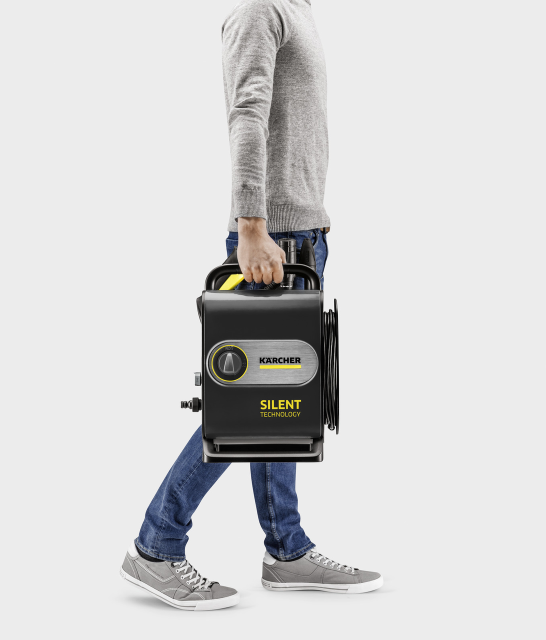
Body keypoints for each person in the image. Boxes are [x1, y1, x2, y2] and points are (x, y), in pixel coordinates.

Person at [120, 0, 382, 610]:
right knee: (244, 408)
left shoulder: (298, 9)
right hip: (274, 241)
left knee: (282, 409)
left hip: (303, 236)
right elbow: (247, 112)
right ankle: (156, 544)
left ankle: (286, 549)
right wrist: (252, 226)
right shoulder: (260, 9)